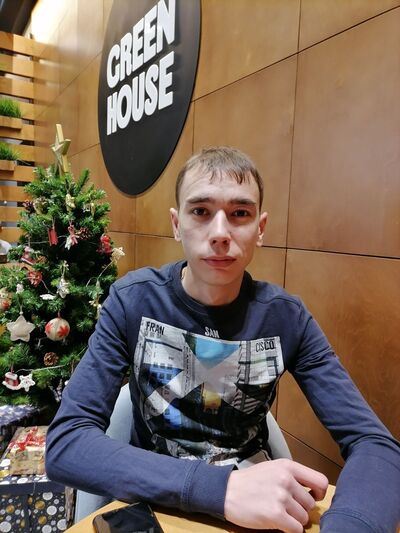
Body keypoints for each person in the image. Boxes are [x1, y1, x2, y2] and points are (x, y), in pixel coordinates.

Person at [46, 147, 400, 532]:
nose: (219, 233)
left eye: (239, 213)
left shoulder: (287, 318)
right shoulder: (132, 301)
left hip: (255, 507)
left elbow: (376, 445)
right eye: (200, 211)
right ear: (177, 224)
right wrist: (220, 489)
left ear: (260, 228)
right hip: (159, 500)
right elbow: (68, 443)